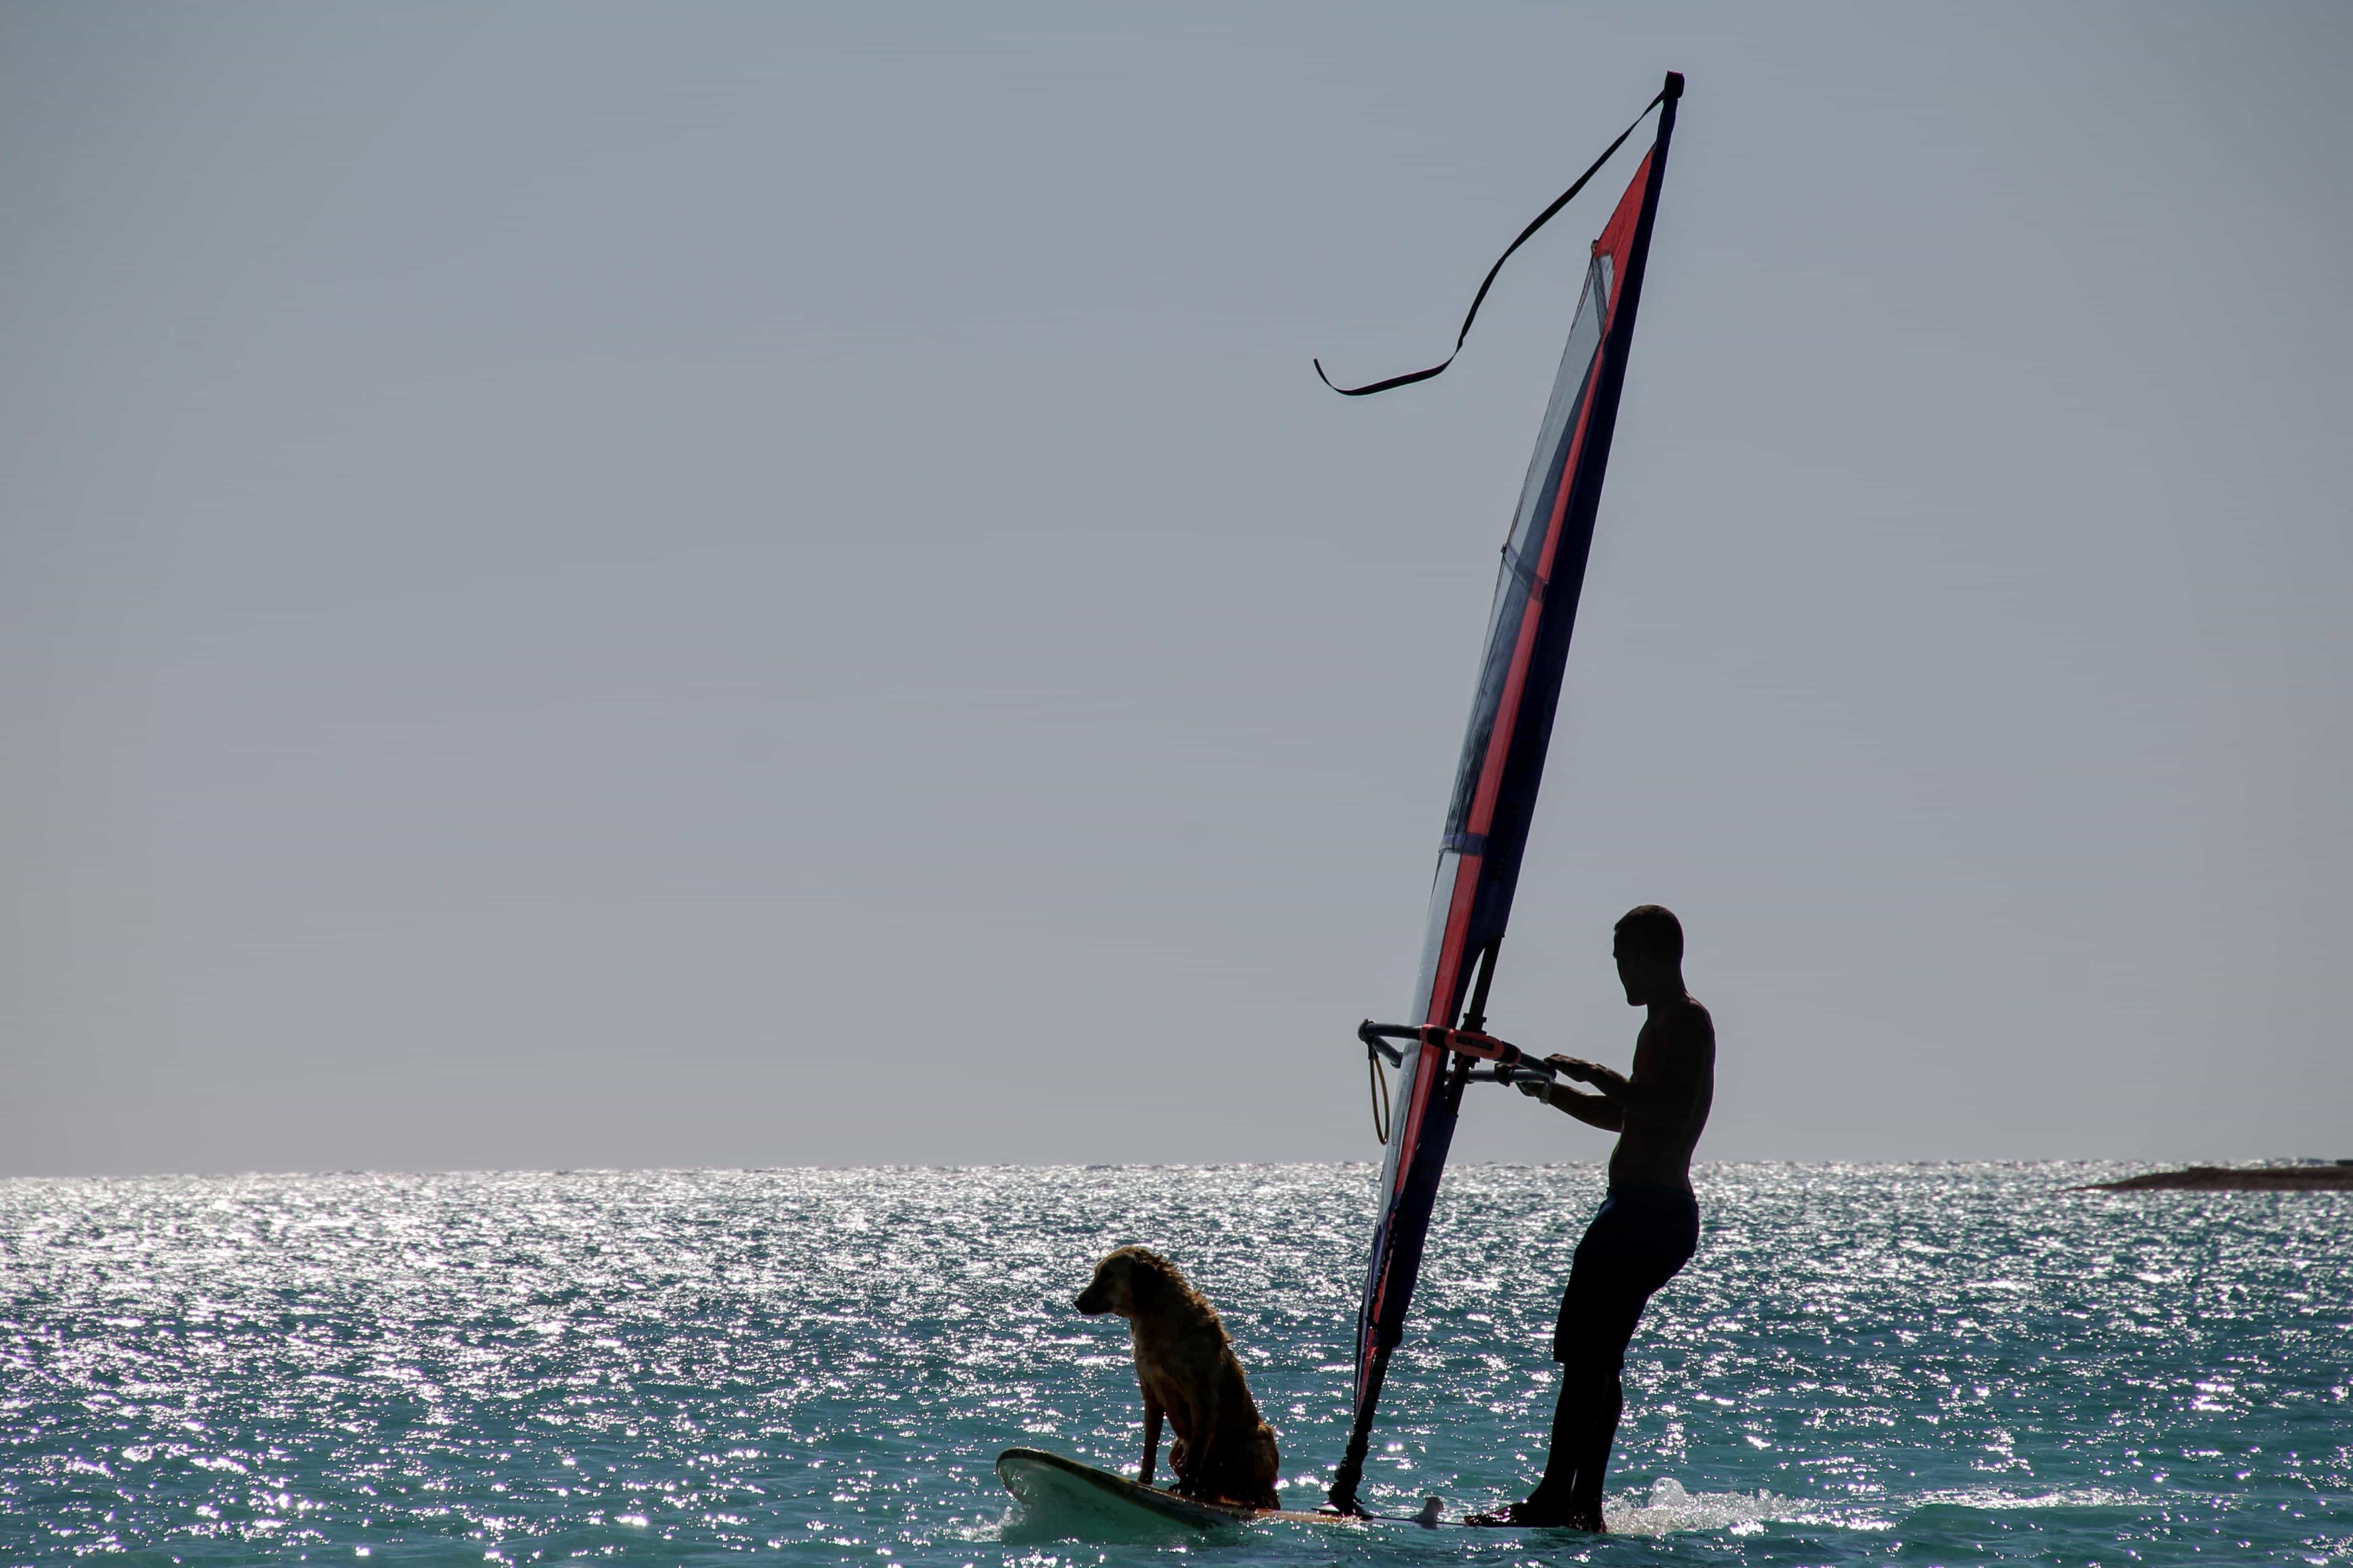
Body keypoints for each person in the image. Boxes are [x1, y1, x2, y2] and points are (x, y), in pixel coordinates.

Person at [1470, 904, 1714, 1530]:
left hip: (1650, 1213)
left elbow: (1665, 1106)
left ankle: (1555, 1497)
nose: (1619, 975)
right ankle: (1583, 1504)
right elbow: (1629, 1116)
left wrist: (1597, 1074)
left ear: (1649, 955)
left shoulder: (1686, 1021)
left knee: (1586, 1356)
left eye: (1622, 961)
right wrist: (1553, 1091)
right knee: (1596, 1358)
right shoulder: (1657, 1024)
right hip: (1634, 1209)